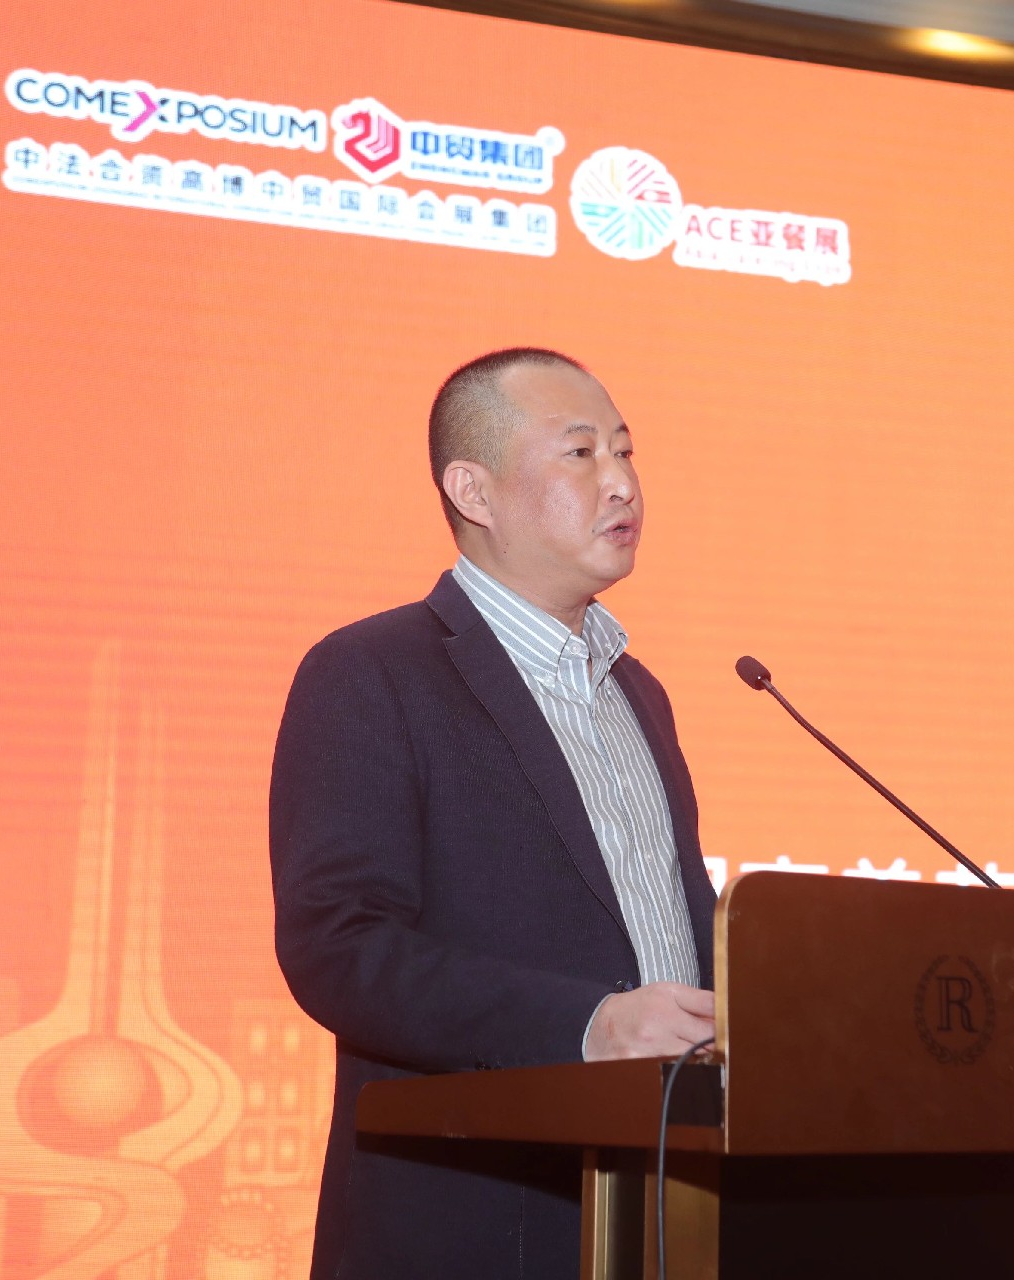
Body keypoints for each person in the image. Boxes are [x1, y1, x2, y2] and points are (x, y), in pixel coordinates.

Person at [269, 348, 719, 1280]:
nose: (623, 483)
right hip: (478, 1225)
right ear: (472, 490)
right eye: (582, 453)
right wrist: (587, 1025)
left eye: (627, 452)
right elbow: (338, 947)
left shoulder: (638, 694)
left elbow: (669, 933)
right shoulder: (372, 672)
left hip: (666, 1216)